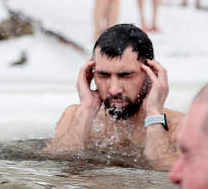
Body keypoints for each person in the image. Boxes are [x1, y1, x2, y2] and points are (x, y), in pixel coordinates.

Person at [43, 23, 183, 171]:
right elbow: (57, 166)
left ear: (151, 74)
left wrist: (154, 113)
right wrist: (87, 109)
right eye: (103, 75)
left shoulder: (180, 126)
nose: (114, 89)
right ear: (91, 73)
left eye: (126, 75)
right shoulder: (74, 116)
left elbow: (166, 176)